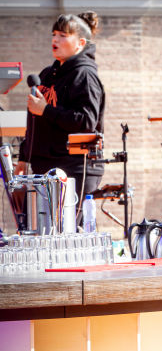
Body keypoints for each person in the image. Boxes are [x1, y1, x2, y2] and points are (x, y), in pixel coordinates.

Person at [16, 12, 105, 216]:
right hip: (44, 168)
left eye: (63, 35)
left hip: (73, 169)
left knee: (66, 237)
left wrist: (46, 110)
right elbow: (35, 122)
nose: (55, 39)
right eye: (54, 34)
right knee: (41, 235)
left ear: (80, 42)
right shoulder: (47, 75)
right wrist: (23, 158)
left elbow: (86, 121)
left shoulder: (85, 75)